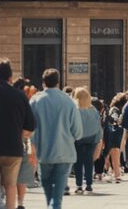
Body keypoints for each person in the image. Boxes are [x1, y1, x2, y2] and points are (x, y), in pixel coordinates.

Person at [0, 58, 36, 209]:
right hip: (13, 149)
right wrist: (19, 135)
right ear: (10, 76)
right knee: (10, 185)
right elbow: (31, 125)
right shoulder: (20, 96)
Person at [29, 69, 83, 209]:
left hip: (43, 153)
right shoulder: (69, 102)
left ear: (43, 82)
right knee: (57, 196)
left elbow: (29, 128)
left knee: (48, 191)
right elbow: (78, 132)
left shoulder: (35, 101)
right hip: (64, 152)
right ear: (58, 82)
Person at [72, 88, 102, 195]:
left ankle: (79, 185)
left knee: (78, 162)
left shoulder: (75, 109)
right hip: (92, 138)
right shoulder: (93, 110)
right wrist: (98, 139)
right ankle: (89, 185)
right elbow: (98, 125)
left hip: (78, 138)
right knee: (89, 161)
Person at [103, 92, 126, 184]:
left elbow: (113, 120)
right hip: (116, 133)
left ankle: (111, 173)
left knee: (109, 153)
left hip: (111, 133)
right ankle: (116, 174)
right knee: (115, 154)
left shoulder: (113, 109)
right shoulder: (117, 109)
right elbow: (115, 120)